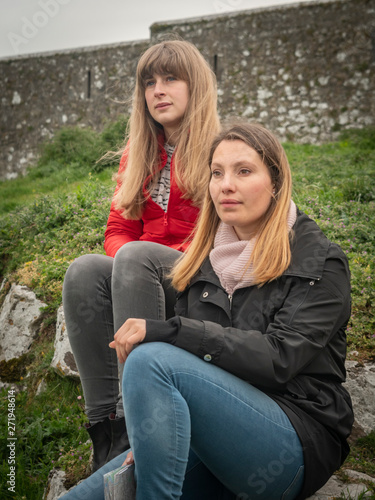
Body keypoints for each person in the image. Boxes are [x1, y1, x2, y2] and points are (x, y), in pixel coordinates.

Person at [61, 122, 354, 500]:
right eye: (217, 173)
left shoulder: (320, 262)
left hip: (292, 442)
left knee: (151, 358)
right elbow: (200, 379)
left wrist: (173, 330)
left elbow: (279, 358)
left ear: (276, 182)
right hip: (212, 438)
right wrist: (155, 438)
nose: (225, 185)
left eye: (243, 171)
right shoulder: (204, 262)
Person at [62, 39, 220, 472]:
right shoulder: (138, 152)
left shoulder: (221, 149)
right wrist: (130, 262)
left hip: (201, 282)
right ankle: (106, 430)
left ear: (196, 87)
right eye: (149, 82)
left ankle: (138, 425)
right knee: (84, 270)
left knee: (135, 258)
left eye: (171, 79)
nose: (158, 90)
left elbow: (223, 231)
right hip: (143, 276)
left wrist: (143, 258)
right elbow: (118, 230)